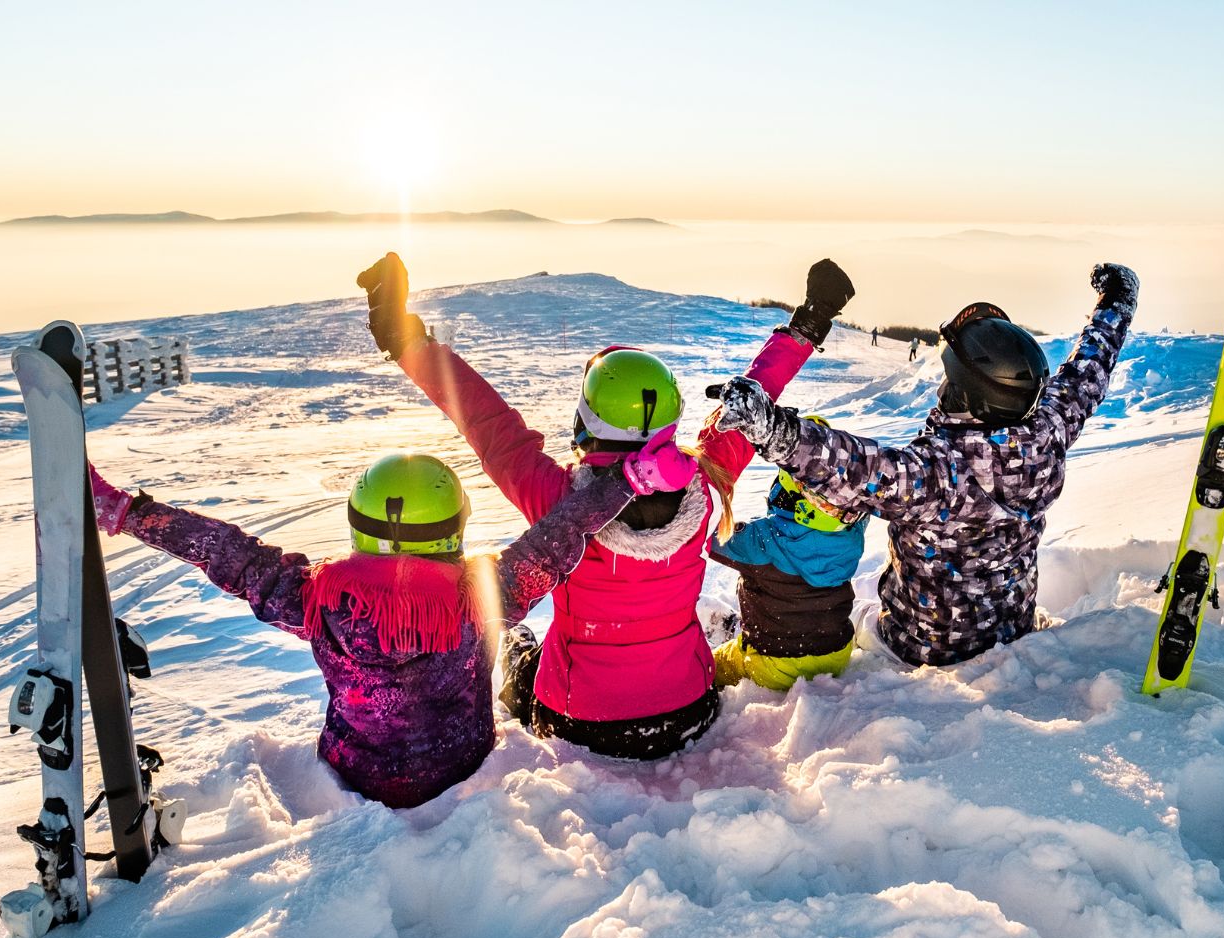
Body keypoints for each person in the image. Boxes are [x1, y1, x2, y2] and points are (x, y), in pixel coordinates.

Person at [356, 252, 853, 759]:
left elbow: (486, 421)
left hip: (580, 721)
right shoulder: (705, 483)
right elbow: (752, 402)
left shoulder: (558, 501)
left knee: (519, 650)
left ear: (586, 420)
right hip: (689, 709)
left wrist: (405, 340)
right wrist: (808, 323)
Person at [84, 438, 696, 808]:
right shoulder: (484, 597)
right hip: (462, 765)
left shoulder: (316, 599)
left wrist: (127, 513)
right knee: (518, 646)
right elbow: (561, 536)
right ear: (454, 526)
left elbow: (224, 551)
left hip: (358, 773)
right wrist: (630, 481)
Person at [711, 263, 1139, 668]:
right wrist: (1116, 303)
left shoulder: (938, 473)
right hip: (1012, 629)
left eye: (950, 379)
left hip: (920, 648)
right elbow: (1087, 372)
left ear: (967, 395)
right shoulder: (1048, 431)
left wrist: (770, 427)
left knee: (851, 626)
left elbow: (851, 467)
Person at [709, 415, 869, 690]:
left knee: (714, 666)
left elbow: (710, 537)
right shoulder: (851, 533)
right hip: (837, 653)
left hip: (775, 663)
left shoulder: (763, 539)